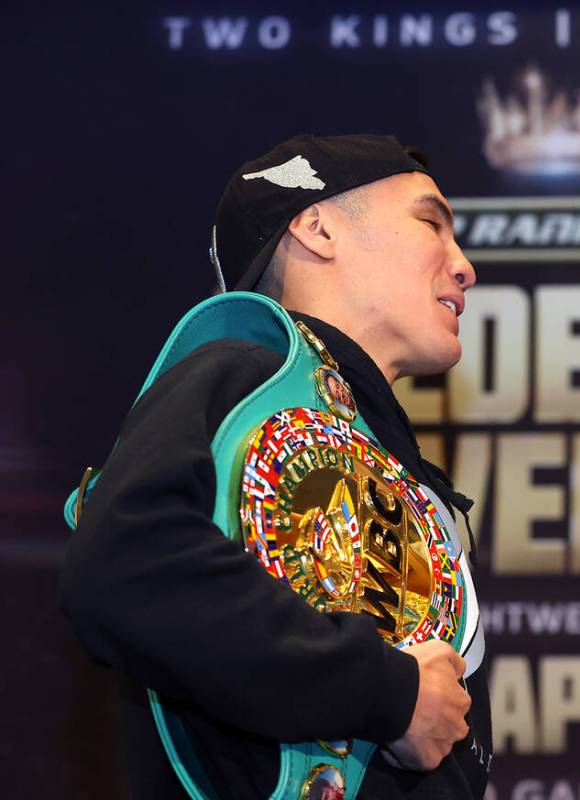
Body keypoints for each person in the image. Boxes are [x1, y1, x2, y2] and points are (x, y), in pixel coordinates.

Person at [60, 134, 491, 799]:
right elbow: (128, 564)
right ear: (317, 228)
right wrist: (392, 693)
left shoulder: (383, 451)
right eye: (431, 222)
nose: (463, 266)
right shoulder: (241, 375)